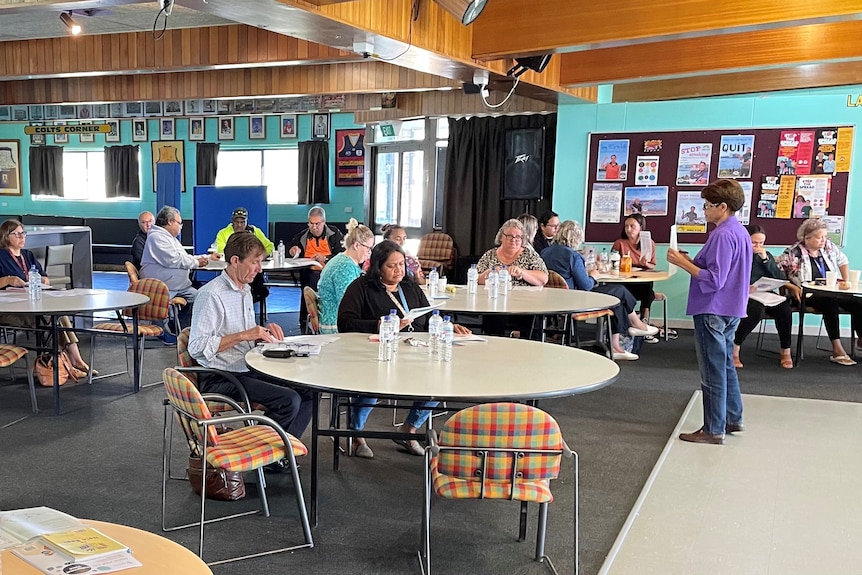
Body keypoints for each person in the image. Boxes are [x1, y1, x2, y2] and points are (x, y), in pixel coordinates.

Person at [188, 233, 314, 463]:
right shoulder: (211, 295)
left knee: (308, 390)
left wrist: (262, 333)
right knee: (289, 400)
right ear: (235, 261)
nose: (259, 268)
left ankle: (277, 453)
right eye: (254, 262)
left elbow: (242, 335)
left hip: (245, 366)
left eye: (260, 262)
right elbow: (196, 347)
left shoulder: (244, 289)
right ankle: (269, 453)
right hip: (220, 375)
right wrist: (247, 334)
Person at [337, 241, 470, 459]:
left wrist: (449, 326)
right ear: (378, 266)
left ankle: (408, 430)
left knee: (441, 379)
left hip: (416, 350)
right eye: (392, 266)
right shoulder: (361, 288)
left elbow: (428, 318)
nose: (399, 270)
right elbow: (345, 322)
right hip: (377, 352)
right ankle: (356, 433)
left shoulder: (409, 286)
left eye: (401, 264)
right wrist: (379, 325)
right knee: (372, 384)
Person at [667, 179, 752, 445]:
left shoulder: (723, 234)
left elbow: (715, 279)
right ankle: (732, 417)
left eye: (708, 205)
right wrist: (691, 261)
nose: (704, 210)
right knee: (725, 364)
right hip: (731, 308)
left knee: (712, 370)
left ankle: (714, 428)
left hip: (713, 308)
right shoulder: (738, 231)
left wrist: (683, 263)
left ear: (723, 207)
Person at [542, 220, 658, 360]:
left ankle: (617, 346)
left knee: (617, 300)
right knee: (619, 291)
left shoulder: (546, 252)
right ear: (576, 237)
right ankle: (634, 324)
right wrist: (593, 276)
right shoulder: (573, 256)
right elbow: (586, 285)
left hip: (553, 300)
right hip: (575, 299)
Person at [0, 219, 94, 376]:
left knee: (57, 316)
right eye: (17, 234)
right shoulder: (1, 256)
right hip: (11, 310)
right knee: (53, 319)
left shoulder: (27, 255)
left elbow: (44, 277)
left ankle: (68, 363)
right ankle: (67, 364)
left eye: (23, 233)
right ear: (5, 236)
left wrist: (44, 280)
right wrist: (7, 280)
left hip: (32, 303)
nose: (22, 237)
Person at [777, 218, 862, 366]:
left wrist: (846, 280)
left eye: (824, 236)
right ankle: (837, 349)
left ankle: (861, 340)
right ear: (807, 238)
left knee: (858, 302)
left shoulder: (829, 247)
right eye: (819, 237)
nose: (823, 240)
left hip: (831, 290)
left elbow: (843, 260)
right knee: (830, 303)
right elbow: (777, 272)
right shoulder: (793, 252)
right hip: (806, 294)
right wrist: (791, 287)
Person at [732, 225, 798, 370]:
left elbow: (779, 278)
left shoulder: (765, 255)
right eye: (754, 242)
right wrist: (743, 287)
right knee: (756, 310)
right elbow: (729, 277)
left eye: (761, 243)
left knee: (784, 308)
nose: (758, 246)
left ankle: (785, 351)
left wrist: (765, 260)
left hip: (762, 293)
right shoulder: (736, 253)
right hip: (741, 294)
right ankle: (735, 346)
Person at [140, 206, 212, 333]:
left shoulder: (169, 238)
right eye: (179, 223)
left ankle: (180, 328)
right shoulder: (157, 237)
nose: (181, 227)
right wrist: (196, 263)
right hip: (163, 287)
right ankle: (163, 330)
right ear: (169, 221)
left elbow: (183, 257)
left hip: (177, 286)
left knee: (198, 297)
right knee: (196, 297)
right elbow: (173, 260)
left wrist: (208, 257)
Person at [477, 219, 549, 338]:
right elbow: (476, 279)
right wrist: (491, 272)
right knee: (494, 317)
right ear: (501, 237)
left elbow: (543, 278)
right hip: (495, 303)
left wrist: (522, 273)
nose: (514, 240)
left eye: (518, 237)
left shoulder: (530, 255)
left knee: (530, 320)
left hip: (525, 304)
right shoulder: (490, 255)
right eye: (509, 236)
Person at [288, 206, 344, 329]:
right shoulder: (303, 235)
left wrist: (325, 258)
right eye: (311, 224)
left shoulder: (335, 234)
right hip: (309, 272)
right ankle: (305, 322)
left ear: (324, 222)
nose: (314, 227)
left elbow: (342, 255)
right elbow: (290, 247)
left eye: (317, 224)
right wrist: (292, 250)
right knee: (309, 282)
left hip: (329, 272)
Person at [612, 213, 666, 341]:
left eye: (632, 226)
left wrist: (645, 263)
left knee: (648, 289)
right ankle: (634, 322)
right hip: (625, 279)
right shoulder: (620, 243)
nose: (629, 229)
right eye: (626, 226)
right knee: (640, 291)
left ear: (641, 227)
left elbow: (652, 265)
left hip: (642, 278)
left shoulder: (649, 243)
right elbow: (612, 262)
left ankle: (644, 320)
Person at [317, 219, 374, 334]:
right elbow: (348, 303)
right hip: (334, 324)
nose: (369, 253)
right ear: (357, 245)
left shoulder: (343, 260)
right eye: (368, 248)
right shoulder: (344, 267)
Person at [213, 207, 273, 302]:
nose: (240, 225)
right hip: (234, 268)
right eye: (237, 222)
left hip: (250, 268)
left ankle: (254, 297)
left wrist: (258, 257)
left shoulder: (254, 231)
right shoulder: (223, 233)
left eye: (242, 222)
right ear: (232, 221)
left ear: (247, 221)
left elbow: (269, 246)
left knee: (257, 277)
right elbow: (223, 250)